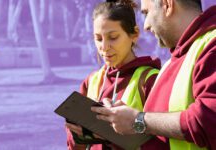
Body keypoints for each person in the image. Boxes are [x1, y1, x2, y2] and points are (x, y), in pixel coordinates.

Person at [91, 0, 216, 149]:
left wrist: (137, 120)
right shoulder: (175, 61)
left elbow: (209, 122)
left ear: (167, 5)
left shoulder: (211, 46)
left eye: (146, 13)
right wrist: (119, 125)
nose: (146, 25)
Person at [65, 0, 161, 149]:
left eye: (113, 37)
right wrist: (78, 137)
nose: (104, 47)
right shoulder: (91, 81)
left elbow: (163, 143)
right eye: (98, 38)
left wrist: (113, 135)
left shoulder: (151, 80)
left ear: (134, 34)